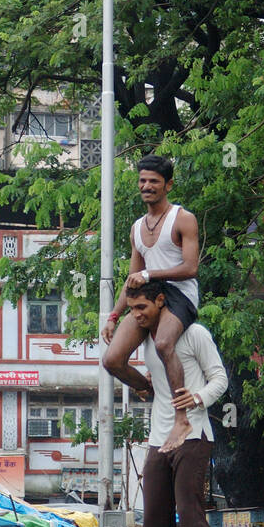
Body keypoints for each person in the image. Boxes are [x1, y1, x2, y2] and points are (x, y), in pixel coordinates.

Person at [107, 281, 227, 527]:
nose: (137, 316)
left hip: (194, 434)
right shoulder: (147, 340)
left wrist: (198, 396)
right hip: (159, 438)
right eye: (131, 310)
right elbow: (119, 363)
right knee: (153, 522)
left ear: (161, 301)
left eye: (141, 308)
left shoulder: (195, 333)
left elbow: (220, 378)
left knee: (190, 514)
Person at [102, 154, 201, 452]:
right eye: (143, 180)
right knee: (112, 360)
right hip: (147, 297)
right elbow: (133, 278)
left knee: (162, 345)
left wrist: (149, 273)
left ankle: (181, 418)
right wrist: (114, 314)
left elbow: (191, 267)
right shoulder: (137, 228)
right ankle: (150, 388)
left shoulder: (182, 218)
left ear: (168, 185)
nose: (147, 186)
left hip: (179, 294)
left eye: (154, 181)